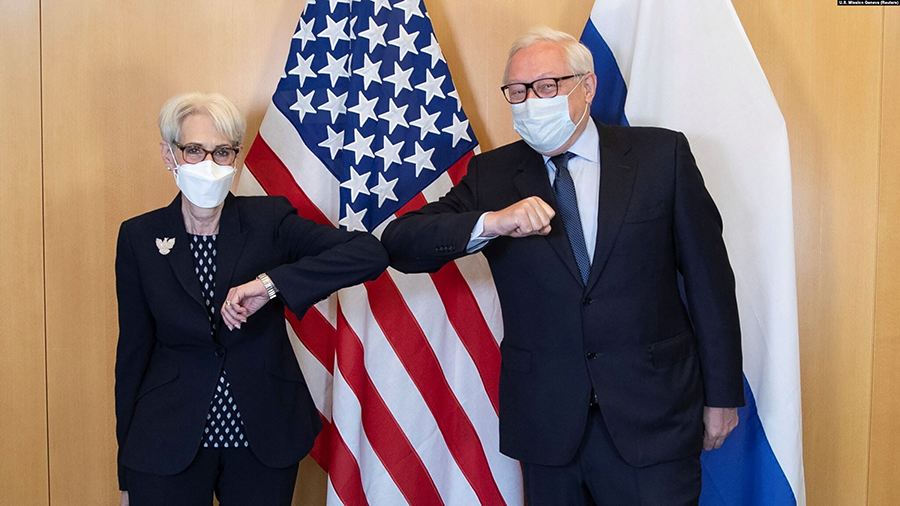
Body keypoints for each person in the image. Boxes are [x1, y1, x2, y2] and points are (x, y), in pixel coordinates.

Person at [381, 27, 744, 505]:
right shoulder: (492, 176)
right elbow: (401, 243)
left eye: (547, 86)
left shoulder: (662, 157)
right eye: (518, 90)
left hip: (653, 416)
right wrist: (493, 221)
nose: (531, 101)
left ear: (586, 87)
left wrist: (721, 394)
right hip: (549, 425)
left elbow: (709, 281)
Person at [115, 92, 388, 506]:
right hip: (167, 436)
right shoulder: (138, 237)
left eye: (221, 151)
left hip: (264, 431)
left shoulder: (269, 220)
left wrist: (270, 284)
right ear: (169, 155)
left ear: (235, 159)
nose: (209, 163)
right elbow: (133, 351)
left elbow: (368, 254)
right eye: (194, 150)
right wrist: (127, 471)